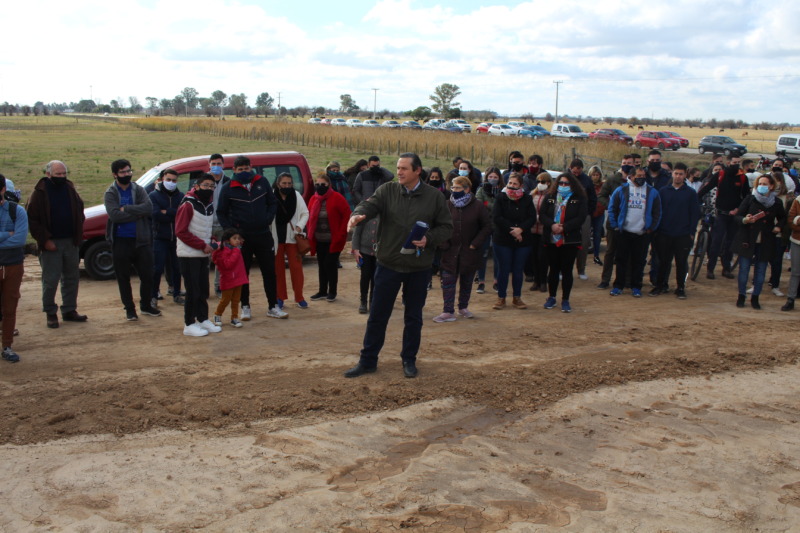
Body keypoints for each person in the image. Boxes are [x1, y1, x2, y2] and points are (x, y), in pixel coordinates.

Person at [343, 153, 453, 379]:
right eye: (398, 167)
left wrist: (429, 238)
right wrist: (358, 215)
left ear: (417, 171)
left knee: (413, 318)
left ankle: (409, 360)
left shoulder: (434, 197)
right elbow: (369, 204)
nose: (399, 172)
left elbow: (446, 227)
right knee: (377, 316)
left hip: (418, 267)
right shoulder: (388, 190)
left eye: (404, 168)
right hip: (388, 265)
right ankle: (368, 361)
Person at [216, 155, 287, 320]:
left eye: (246, 168)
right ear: (234, 170)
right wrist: (232, 233)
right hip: (242, 239)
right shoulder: (228, 188)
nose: (244, 172)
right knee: (242, 273)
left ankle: (273, 306)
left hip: (263, 235)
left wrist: (267, 219)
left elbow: (272, 203)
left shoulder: (262, 182)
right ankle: (245, 306)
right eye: (240, 169)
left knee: (269, 272)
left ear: (251, 167)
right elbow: (221, 212)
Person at [26, 160, 87, 329]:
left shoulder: (70, 188)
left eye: (64, 174)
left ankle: (69, 309)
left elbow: (80, 210)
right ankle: (50, 312)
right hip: (51, 243)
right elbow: (33, 221)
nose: (61, 177)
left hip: (71, 241)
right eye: (58, 174)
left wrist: (77, 233)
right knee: (51, 280)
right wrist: (45, 240)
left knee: (72, 277)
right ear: (48, 174)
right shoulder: (39, 193)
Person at [104, 159, 161, 321]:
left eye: (129, 171)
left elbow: (148, 208)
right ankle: (130, 309)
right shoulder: (110, 193)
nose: (127, 174)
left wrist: (127, 209)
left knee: (147, 275)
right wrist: (137, 213)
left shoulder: (138, 189)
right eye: (123, 172)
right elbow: (115, 215)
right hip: (121, 241)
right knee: (123, 278)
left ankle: (146, 306)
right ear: (115, 174)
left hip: (141, 240)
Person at [433, 176, 491, 322]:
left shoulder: (478, 206)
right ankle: (448, 311)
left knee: (467, 281)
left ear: (467, 189)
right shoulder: (447, 205)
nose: (454, 190)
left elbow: (487, 226)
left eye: (458, 188)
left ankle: (463, 307)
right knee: (448, 282)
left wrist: (475, 243)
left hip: (469, 251)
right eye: (453, 187)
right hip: (449, 251)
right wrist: (443, 243)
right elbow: (438, 224)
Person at [175, 173, 220, 336]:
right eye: (205, 185)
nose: (209, 189)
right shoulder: (188, 204)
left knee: (202, 289)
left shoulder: (209, 205)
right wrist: (202, 245)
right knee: (192, 290)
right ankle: (189, 323)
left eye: (212, 186)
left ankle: (202, 318)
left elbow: (205, 229)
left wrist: (212, 240)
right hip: (189, 254)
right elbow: (180, 231)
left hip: (202, 254)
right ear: (197, 186)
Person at [733, 174, 786, 309]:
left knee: (761, 271)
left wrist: (778, 226)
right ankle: (741, 296)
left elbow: (783, 218)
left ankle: (755, 297)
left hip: (766, 240)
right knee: (744, 269)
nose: (761, 186)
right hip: (748, 239)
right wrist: (745, 220)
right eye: (760, 184)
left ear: (771, 186)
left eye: (764, 184)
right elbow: (738, 216)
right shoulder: (750, 199)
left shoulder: (776, 202)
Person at [608, 166, 662, 298]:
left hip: (642, 233)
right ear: (631, 176)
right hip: (624, 232)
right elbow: (612, 208)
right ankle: (618, 286)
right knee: (621, 260)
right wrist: (615, 226)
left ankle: (636, 287)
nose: (641, 178)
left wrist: (651, 228)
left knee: (639, 261)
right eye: (638, 176)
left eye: (643, 176)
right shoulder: (621, 190)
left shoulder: (652, 192)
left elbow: (657, 212)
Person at [538, 172, 588, 312]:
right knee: (553, 269)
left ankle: (565, 299)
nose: (563, 185)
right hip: (551, 238)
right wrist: (552, 225)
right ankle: (551, 297)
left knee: (567, 270)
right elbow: (542, 215)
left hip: (569, 239)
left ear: (572, 184)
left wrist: (564, 227)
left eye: (566, 183)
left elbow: (581, 217)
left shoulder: (579, 198)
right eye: (561, 183)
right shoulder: (550, 196)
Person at [652, 163, 701, 299]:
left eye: (681, 174)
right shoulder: (663, 191)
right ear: (672, 174)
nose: (678, 176)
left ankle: (680, 288)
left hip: (683, 235)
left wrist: (691, 232)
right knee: (663, 262)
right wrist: (657, 230)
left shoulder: (690, 193)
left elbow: (694, 214)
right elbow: (657, 211)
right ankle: (660, 285)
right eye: (676, 173)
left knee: (681, 262)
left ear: (685, 175)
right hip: (664, 233)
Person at [698, 155, 749, 280]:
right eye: (734, 162)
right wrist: (696, 198)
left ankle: (726, 268)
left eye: (738, 162)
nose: (736, 164)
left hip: (734, 215)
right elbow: (707, 187)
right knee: (716, 242)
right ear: (728, 162)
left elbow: (746, 197)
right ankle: (710, 268)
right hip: (721, 214)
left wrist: (739, 209)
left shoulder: (742, 177)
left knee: (730, 243)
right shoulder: (720, 175)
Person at [492, 173, 536, 310]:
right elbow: (497, 217)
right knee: (503, 269)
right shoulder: (501, 197)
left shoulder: (527, 199)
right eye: (510, 183)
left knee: (518, 270)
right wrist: (513, 230)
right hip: (503, 239)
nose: (511, 186)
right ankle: (501, 297)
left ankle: (517, 298)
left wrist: (521, 229)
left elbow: (532, 218)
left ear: (521, 185)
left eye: (514, 184)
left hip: (523, 240)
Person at [352, 161, 390, 314]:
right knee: (365, 276)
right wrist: (355, 249)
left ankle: (373, 302)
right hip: (365, 250)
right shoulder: (365, 210)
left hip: (379, 251)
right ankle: (363, 301)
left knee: (376, 278)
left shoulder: (386, 211)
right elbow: (357, 232)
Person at [307, 173, 351, 302]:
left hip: (334, 239)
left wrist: (342, 233)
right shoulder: (313, 199)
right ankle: (322, 291)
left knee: (329, 264)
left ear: (329, 185)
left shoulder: (337, 198)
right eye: (317, 184)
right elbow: (309, 217)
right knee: (321, 265)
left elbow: (347, 215)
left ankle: (332, 291)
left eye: (323, 184)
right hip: (319, 239)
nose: (320, 186)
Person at [271, 172, 309, 309]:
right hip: (276, 238)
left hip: (293, 238)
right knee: (277, 270)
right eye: (284, 183)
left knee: (296, 268)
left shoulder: (296, 195)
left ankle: (299, 297)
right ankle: (279, 297)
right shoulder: (271, 195)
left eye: (289, 183)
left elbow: (305, 213)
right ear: (278, 184)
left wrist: (299, 227)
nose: (287, 186)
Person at [596, 155, 635, 289]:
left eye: (629, 163)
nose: (627, 165)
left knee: (628, 253)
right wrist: (611, 206)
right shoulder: (613, 180)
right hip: (614, 221)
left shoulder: (637, 181)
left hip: (631, 222)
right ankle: (605, 280)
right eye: (624, 163)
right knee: (610, 252)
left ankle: (627, 280)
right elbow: (601, 196)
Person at [0, 176, 28, 362]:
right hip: (12, 260)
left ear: (3, 190)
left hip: (13, 265)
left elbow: (20, 239)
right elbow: (14, 238)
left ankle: (7, 345)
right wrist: (7, 234)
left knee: (10, 306)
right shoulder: (16, 212)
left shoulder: (17, 211)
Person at [149, 169, 184, 308]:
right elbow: (155, 214)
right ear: (163, 179)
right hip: (160, 237)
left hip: (176, 238)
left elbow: (182, 214)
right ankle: (153, 296)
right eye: (168, 179)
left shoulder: (180, 196)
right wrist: (173, 214)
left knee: (177, 268)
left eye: (174, 180)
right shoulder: (153, 195)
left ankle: (177, 293)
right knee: (157, 268)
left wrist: (167, 211)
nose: (171, 182)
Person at [567, 159, 598, 281]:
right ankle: (564, 270)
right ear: (570, 168)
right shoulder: (564, 178)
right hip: (567, 215)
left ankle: (581, 270)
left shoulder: (587, 180)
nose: (576, 173)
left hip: (584, 215)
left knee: (584, 243)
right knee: (566, 243)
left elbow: (593, 198)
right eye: (574, 171)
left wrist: (588, 212)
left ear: (581, 169)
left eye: (578, 171)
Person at [212, 228, 248, 327]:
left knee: (236, 300)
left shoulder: (236, 249)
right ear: (228, 240)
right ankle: (217, 314)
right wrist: (236, 251)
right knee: (225, 300)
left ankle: (234, 318)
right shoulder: (226, 251)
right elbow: (228, 264)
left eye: (238, 238)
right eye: (234, 238)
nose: (237, 240)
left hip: (238, 279)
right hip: (228, 280)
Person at [475, 166, 502, 293]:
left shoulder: (502, 190)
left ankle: (496, 281)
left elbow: (501, 208)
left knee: (497, 255)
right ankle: (481, 282)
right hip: (484, 225)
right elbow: (479, 205)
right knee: (482, 254)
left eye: (495, 177)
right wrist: (492, 205)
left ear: (499, 178)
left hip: (498, 226)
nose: (492, 179)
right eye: (490, 177)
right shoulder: (481, 189)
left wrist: (488, 205)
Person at [208, 153, 230, 296]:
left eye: (219, 164)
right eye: (213, 164)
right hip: (207, 226)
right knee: (204, 258)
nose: (216, 166)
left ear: (223, 165)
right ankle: (204, 289)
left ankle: (219, 286)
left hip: (223, 226)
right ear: (209, 165)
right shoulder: (204, 181)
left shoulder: (229, 182)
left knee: (222, 259)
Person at [528, 171, 553, 293]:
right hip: (533, 230)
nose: (540, 183)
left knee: (543, 257)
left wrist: (540, 218)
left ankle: (543, 281)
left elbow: (551, 212)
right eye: (538, 181)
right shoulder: (532, 194)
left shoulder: (552, 196)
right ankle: (536, 281)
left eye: (542, 181)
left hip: (545, 230)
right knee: (533, 257)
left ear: (548, 183)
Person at [781, 194, 800, 311]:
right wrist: (797, 221)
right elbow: (791, 221)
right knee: (795, 272)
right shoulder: (797, 201)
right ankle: (790, 299)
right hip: (797, 241)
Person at [588, 165, 606, 266]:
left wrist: (604, 205)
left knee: (597, 235)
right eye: (593, 175)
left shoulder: (603, 186)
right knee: (585, 235)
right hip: (589, 212)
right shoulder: (588, 185)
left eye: (597, 175)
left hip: (599, 213)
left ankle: (596, 256)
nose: (595, 177)